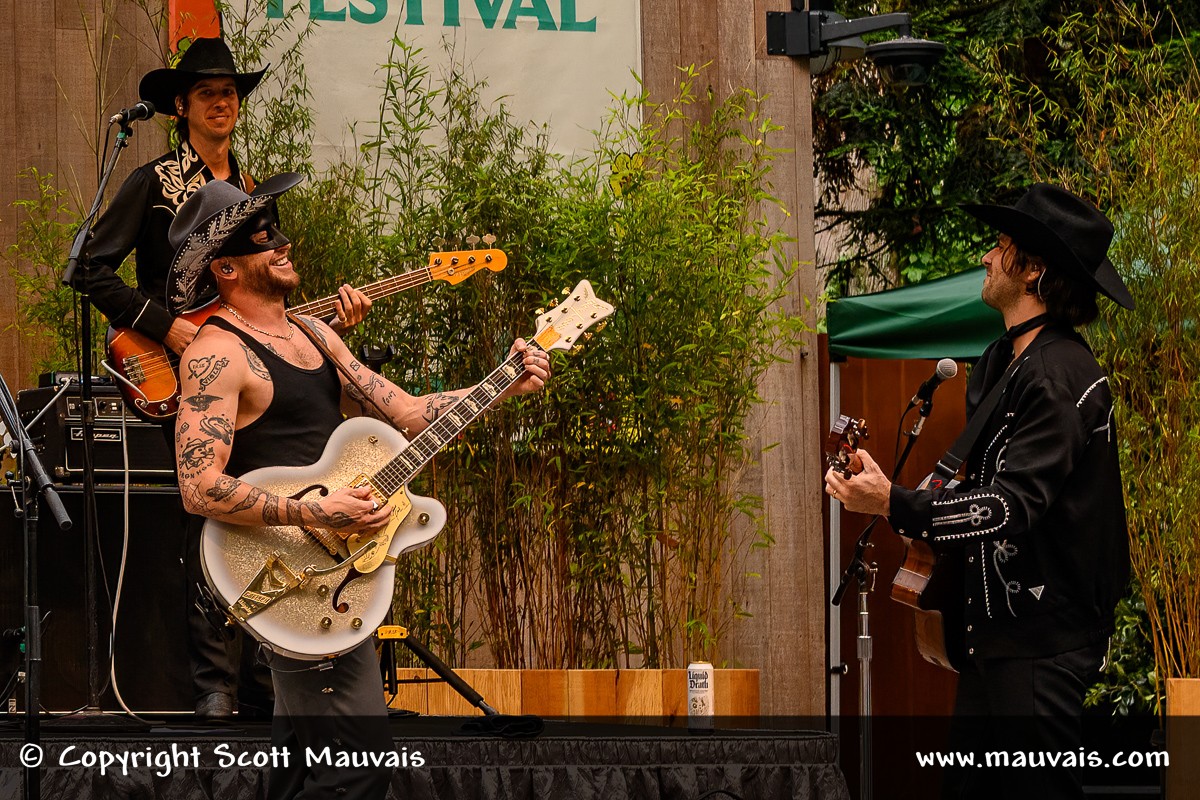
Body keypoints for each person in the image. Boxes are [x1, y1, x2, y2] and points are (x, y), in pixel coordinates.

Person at [168, 173, 550, 799]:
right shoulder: (216, 354)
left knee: (302, 772)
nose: (283, 244)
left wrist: (503, 383)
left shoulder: (317, 335)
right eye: (263, 237)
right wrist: (314, 514)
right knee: (358, 773)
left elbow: (409, 412)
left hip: (339, 574)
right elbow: (199, 488)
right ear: (227, 268)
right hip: (286, 573)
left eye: (277, 229)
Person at [78, 37, 371, 719]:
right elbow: (88, 268)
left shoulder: (246, 190)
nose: (222, 102)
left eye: (231, 92)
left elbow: (263, 292)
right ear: (179, 105)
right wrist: (164, 327)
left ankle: (272, 674)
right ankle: (214, 685)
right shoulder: (151, 181)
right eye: (208, 92)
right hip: (180, 370)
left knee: (274, 504)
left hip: (251, 370)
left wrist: (321, 331)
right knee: (206, 516)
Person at [824, 184, 1134, 799]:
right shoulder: (1004, 362)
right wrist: (898, 492)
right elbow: (979, 486)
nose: (988, 258)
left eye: (1001, 247)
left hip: (1044, 643)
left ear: (1033, 270)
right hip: (993, 639)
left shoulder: (1061, 375)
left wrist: (893, 502)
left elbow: (1007, 508)